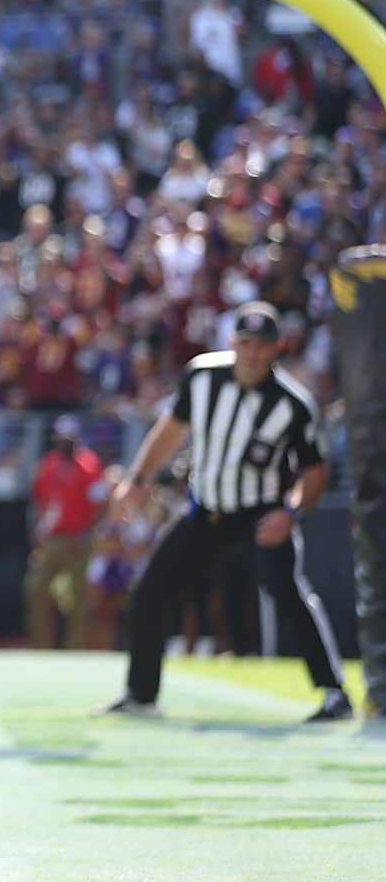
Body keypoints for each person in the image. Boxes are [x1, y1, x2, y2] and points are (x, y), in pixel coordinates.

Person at [98, 303, 351, 722]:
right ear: (232, 343)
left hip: (260, 513)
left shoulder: (292, 404)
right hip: (207, 510)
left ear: (277, 348)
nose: (252, 354)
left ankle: (332, 693)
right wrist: (138, 479)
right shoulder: (202, 376)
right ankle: (141, 694)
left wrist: (291, 513)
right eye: (245, 343)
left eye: (262, 346)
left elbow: (314, 470)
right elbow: (170, 431)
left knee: (288, 593)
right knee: (151, 591)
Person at [25, 416, 104, 650]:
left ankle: (76, 647)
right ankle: (39, 646)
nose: (65, 442)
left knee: (78, 595)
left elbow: (100, 503)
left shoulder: (90, 464)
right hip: (52, 539)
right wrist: (37, 534)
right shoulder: (48, 464)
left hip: (79, 538)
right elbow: (38, 501)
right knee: (36, 588)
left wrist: (89, 532)